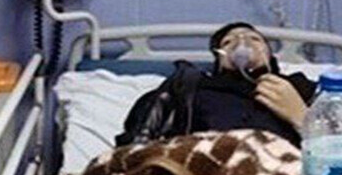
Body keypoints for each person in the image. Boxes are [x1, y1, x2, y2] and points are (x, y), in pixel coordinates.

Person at [118, 22, 316, 148]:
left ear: (269, 53)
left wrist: (301, 117)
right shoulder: (189, 86)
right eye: (228, 42)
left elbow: (333, 151)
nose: (242, 42)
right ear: (219, 58)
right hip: (205, 174)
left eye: (254, 39)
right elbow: (137, 142)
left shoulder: (299, 87)